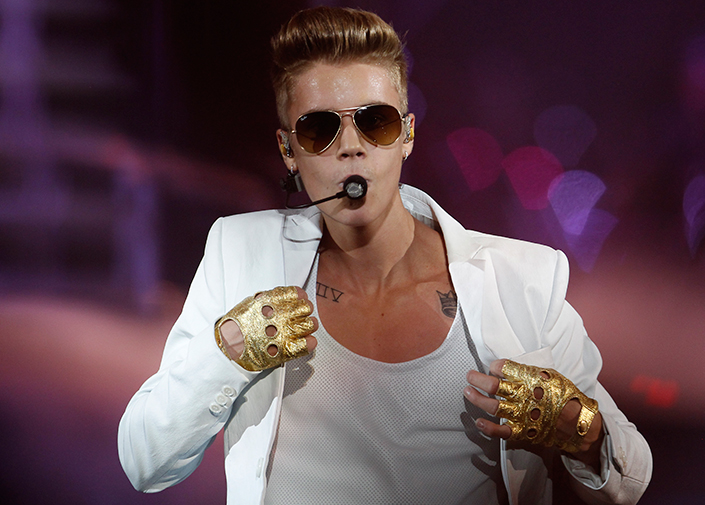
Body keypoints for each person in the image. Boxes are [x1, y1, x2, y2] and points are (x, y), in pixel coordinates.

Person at [117, 6, 652, 505]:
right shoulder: (239, 252)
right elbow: (145, 462)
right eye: (320, 129)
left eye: (376, 122)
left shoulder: (523, 277)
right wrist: (227, 353)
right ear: (288, 151)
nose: (352, 146)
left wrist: (579, 429)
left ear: (407, 135)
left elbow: (630, 479)